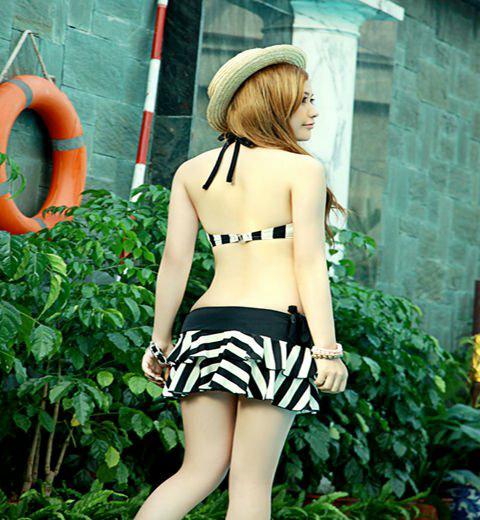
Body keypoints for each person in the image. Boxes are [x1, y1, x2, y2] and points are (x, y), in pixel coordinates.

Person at [135, 43, 349, 520]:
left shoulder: (192, 172)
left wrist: (159, 341)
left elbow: (175, 262)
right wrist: (327, 350)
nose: (314, 111)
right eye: (304, 100)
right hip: (272, 331)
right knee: (250, 484)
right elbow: (309, 262)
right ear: (273, 104)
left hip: (203, 328)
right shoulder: (303, 169)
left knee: (197, 470)